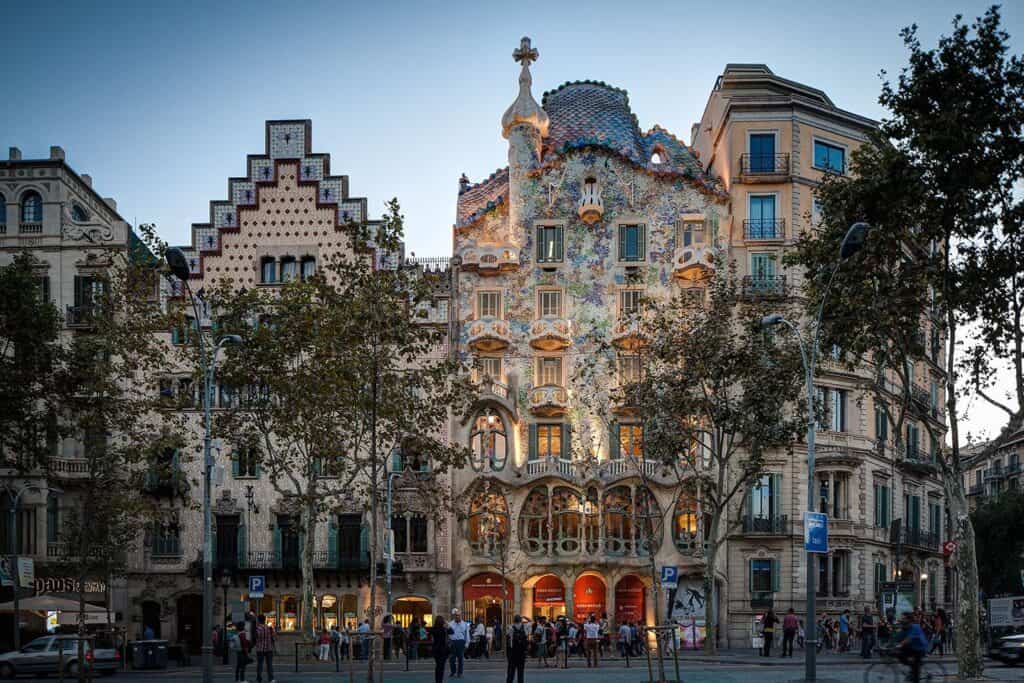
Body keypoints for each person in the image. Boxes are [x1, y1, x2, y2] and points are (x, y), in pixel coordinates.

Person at [896, 612, 929, 683]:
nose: (902, 619)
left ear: (909, 620)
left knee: (915, 673)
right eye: (902, 618)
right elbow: (899, 637)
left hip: (920, 648)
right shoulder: (906, 627)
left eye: (903, 618)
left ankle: (915, 669)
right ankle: (912, 665)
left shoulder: (915, 627)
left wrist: (899, 645)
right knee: (898, 654)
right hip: (912, 647)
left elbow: (908, 639)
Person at [253, 614, 276, 683]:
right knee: (269, 665)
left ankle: (259, 678)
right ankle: (271, 678)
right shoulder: (269, 628)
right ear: (264, 620)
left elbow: (256, 637)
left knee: (260, 665)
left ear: (258, 620)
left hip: (260, 649)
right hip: (269, 648)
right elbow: (274, 637)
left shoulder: (258, 628)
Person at [506, 615, 528, 683]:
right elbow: (530, 622)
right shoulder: (524, 627)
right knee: (520, 672)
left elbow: (508, 640)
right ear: (520, 620)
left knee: (511, 671)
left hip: (513, 652)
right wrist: (524, 617)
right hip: (521, 652)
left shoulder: (510, 627)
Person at [448, 608, 470, 677]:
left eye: (459, 615)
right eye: (456, 615)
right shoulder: (450, 624)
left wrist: (467, 644)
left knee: (460, 658)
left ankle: (460, 672)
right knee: (452, 659)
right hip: (453, 642)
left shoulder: (465, 624)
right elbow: (448, 634)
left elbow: (467, 635)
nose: (457, 617)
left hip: (461, 642)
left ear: (461, 616)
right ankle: (453, 671)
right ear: (454, 616)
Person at [431, 616, 450, 683]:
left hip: (436, 649)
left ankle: (437, 681)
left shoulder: (433, 629)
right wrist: (447, 625)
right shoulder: (444, 629)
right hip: (443, 650)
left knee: (438, 666)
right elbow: (452, 631)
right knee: (441, 667)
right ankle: (440, 681)